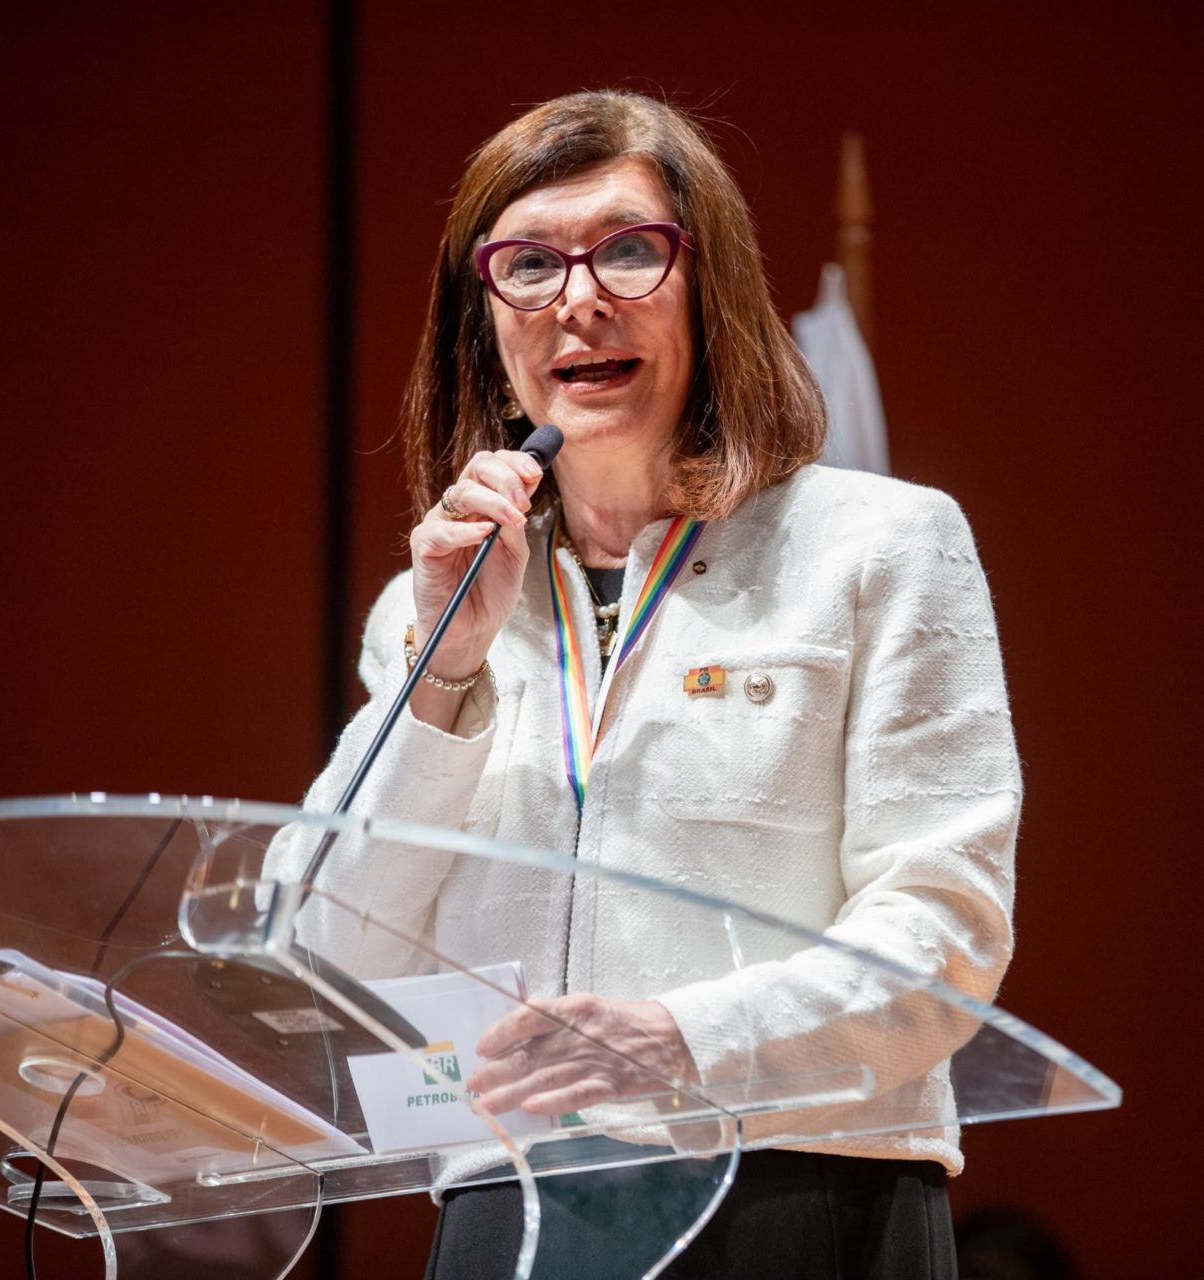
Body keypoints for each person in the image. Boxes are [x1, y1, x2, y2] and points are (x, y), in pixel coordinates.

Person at [282, 90, 1019, 1279]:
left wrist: (683, 1039)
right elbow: (327, 939)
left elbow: (945, 931)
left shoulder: (879, 547)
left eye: (630, 250)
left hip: (800, 1194)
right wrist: (445, 678)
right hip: (506, 1207)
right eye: (528, 263)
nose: (579, 298)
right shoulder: (434, 609)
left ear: (711, 286)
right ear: (486, 322)